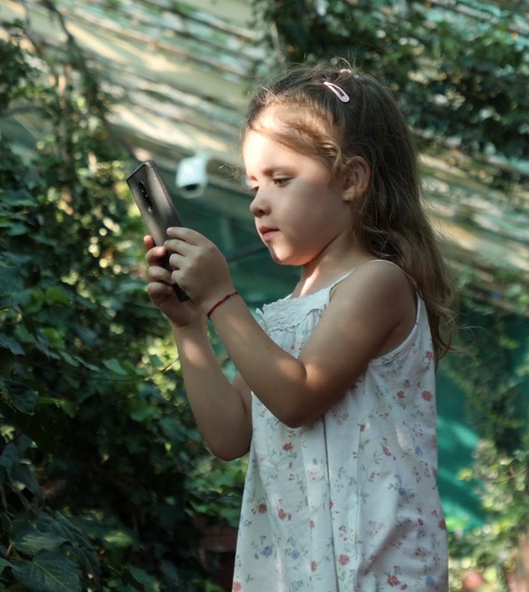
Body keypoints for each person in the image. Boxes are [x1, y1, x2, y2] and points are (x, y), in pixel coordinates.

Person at [143, 65, 455, 591]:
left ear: (351, 179)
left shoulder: (377, 284)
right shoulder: (286, 313)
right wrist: (191, 326)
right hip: (299, 573)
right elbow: (229, 434)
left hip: (377, 571)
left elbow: (299, 396)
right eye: (254, 184)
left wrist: (221, 296)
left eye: (281, 180)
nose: (258, 202)